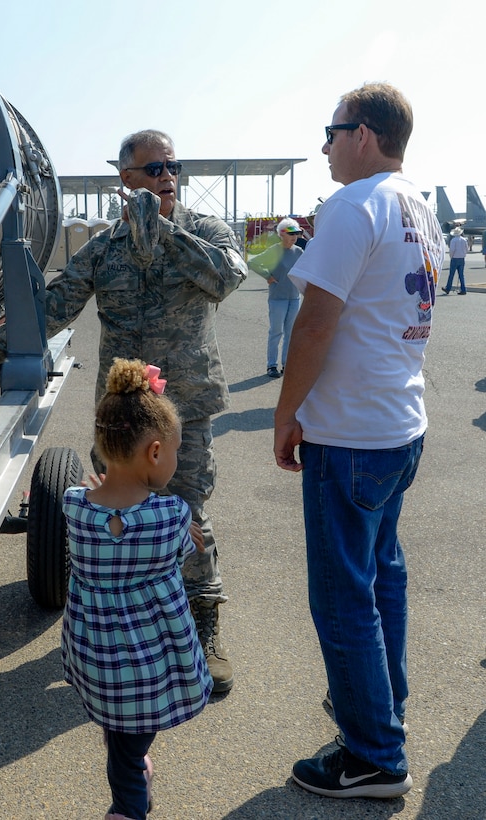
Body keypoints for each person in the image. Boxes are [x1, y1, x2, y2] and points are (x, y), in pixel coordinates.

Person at [0, 129, 248, 693]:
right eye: (154, 170)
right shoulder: (102, 251)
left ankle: (205, 625)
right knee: (119, 517)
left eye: (174, 167)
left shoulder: (204, 233)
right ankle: (128, 624)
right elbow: (49, 312)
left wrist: (167, 234)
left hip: (186, 409)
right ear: (126, 181)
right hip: (125, 414)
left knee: (189, 516)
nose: (167, 178)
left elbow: (226, 278)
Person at [273, 82, 446, 799]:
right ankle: (382, 709)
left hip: (348, 433)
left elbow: (314, 324)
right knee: (382, 580)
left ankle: (372, 753)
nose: (323, 145)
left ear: (364, 134)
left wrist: (285, 415)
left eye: (331, 130)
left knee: (344, 596)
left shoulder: (354, 203)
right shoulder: (420, 206)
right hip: (398, 425)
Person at [61, 358, 213, 820]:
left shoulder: (73, 506)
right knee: (129, 752)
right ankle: (128, 808)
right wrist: (187, 536)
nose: (174, 461)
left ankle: (126, 754)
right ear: (153, 452)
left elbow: (102, 518)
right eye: (174, 452)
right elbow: (184, 551)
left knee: (119, 725)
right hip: (148, 660)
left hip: (95, 653)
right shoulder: (172, 517)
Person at [248, 217, 303, 378]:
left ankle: (287, 364)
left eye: (297, 233)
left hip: (294, 298)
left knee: (290, 333)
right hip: (278, 298)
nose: (294, 236)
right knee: (276, 332)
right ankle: (271, 365)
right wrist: (268, 276)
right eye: (290, 233)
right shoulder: (274, 250)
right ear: (281, 234)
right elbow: (254, 262)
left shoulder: (299, 252)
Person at [442, 226, 468, 294]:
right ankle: (463, 289)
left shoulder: (453, 240)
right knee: (461, 275)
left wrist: (451, 257)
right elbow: (466, 249)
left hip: (455, 258)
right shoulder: (464, 240)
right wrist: (464, 255)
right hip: (462, 259)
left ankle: (448, 288)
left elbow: (452, 250)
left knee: (451, 274)